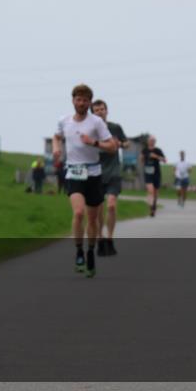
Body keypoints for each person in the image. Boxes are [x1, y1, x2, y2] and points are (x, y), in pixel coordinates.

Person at [53, 84, 118, 278]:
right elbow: (56, 136)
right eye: (78, 99)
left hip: (93, 173)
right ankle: (79, 251)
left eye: (85, 100)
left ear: (89, 103)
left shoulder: (96, 122)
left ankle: (90, 252)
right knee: (79, 212)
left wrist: (94, 143)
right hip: (74, 172)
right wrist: (56, 148)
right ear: (73, 100)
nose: (81, 103)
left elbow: (112, 147)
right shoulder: (64, 121)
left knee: (92, 219)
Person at [91, 100, 128, 256]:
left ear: (107, 111)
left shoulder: (115, 127)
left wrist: (120, 144)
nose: (100, 112)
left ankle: (110, 239)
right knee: (98, 209)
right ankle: (100, 238)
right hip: (96, 172)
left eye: (102, 109)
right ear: (92, 113)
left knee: (111, 206)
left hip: (113, 172)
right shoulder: (91, 129)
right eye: (97, 110)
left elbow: (127, 143)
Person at [141, 135, 167, 217]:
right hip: (148, 173)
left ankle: (154, 207)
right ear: (148, 141)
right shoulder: (144, 150)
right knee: (150, 190)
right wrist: (143, 161)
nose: (152, 142)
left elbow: (165, 160)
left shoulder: (158, 150)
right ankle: (151, 208)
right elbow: (141, 159)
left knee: (155, 193)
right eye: (150, 140)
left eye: (153, 140)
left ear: (155, 142)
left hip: (156, 173)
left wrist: (156, 156)